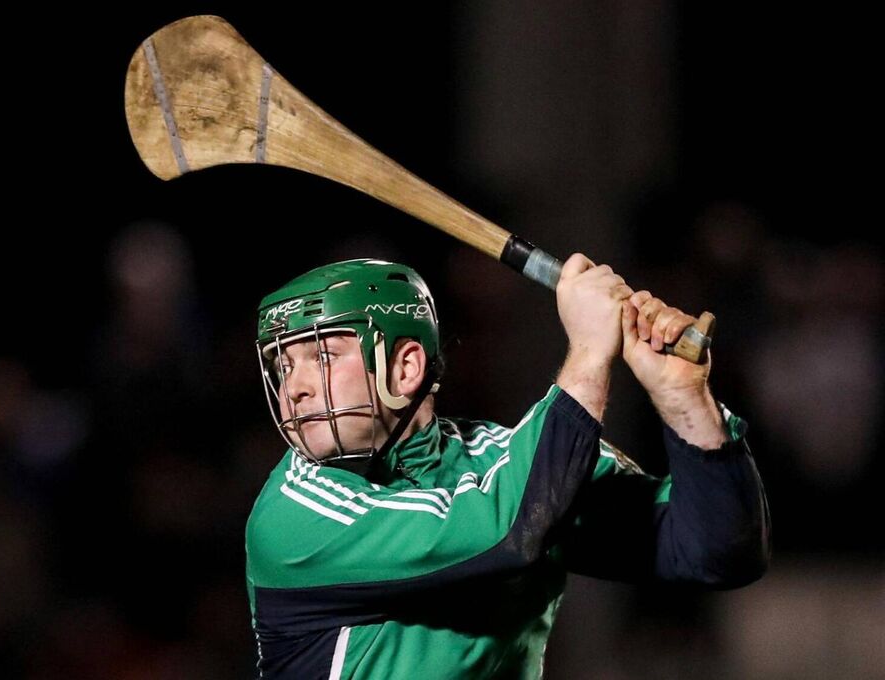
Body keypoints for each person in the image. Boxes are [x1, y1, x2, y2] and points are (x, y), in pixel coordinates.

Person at [244, 256, 770, 678]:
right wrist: (589, 351)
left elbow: (717, 551)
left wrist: (683, 397)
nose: (296, 385)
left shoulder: (513, 460)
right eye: (284, 364)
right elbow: (510, 530)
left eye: (324, 356)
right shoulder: (293, 517)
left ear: (405, 367)